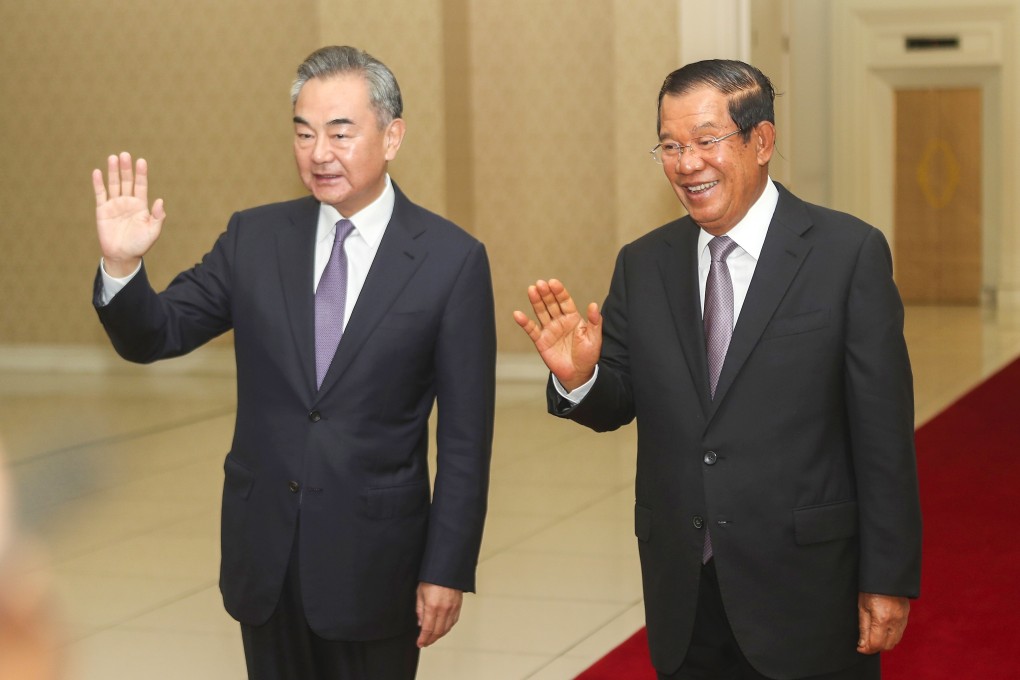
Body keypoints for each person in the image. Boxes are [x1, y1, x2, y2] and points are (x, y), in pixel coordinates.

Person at [91, 45, 496, 680]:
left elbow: (468, 441)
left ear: (393, 136)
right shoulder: (254, 238)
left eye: (340, 132)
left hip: (376, 561)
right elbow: (156, 334)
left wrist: (446, 568)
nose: (318, 153)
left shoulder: (451, 260)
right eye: (303, 133)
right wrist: (122, 266)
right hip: (266, 557)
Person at [514, 59, 921, 680]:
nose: (686, 163)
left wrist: (888, 579)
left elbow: (884, 437)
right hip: (685, 585)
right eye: (671, 146)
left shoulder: (847, 254)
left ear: (762, 142)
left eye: (707, 141)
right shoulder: (644, 264)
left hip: (805, 589)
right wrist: (581, 377)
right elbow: (616, 400)